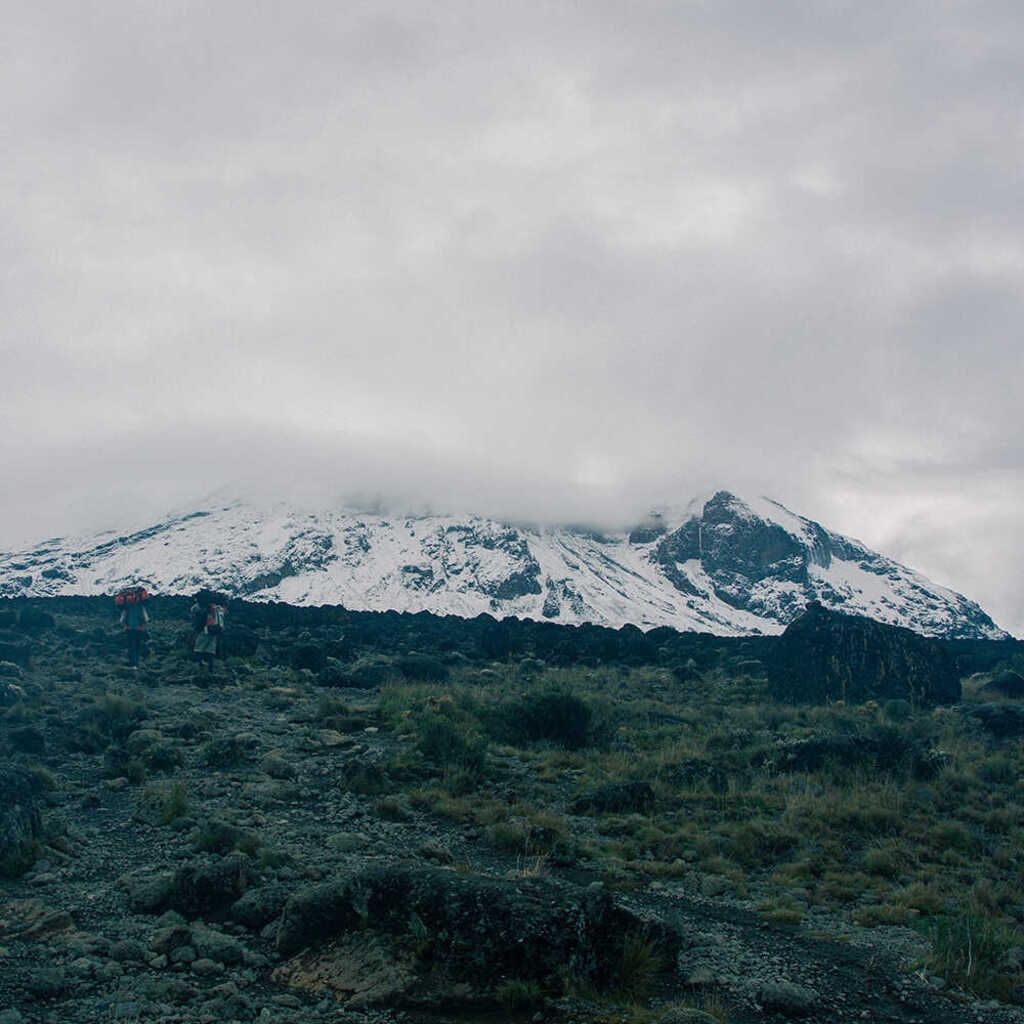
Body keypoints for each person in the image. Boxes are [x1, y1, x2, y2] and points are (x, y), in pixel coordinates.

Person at [190, 594, 226, 672]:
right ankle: (210, 670)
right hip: (216, 630)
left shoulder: (201, 607)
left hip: (205, 629)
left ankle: (200, 667)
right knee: (210, 650)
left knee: (198, 648)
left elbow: (196, 614)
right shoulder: (218, 608)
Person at [119, 593, 149, 668]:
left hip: (129, 629)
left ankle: (132, 663)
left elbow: (122, 619)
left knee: (131, 646)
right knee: (137, 646)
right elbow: (146, 618)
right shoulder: (141, 606)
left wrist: (125, 624)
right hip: (139, 629)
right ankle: (136, 662)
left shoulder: (127, 607)